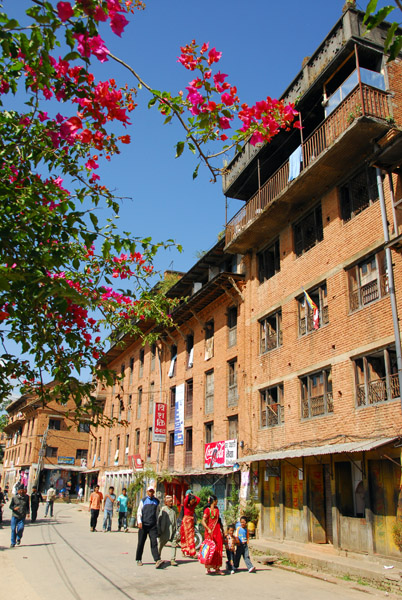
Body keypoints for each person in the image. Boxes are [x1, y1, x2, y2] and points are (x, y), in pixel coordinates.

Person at [136, 485, 163, 568]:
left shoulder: (156, 502)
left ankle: (157, 559)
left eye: (152, 491)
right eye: (149, 491)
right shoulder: (143, 501)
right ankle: (138, 559)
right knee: (141, 542)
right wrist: (139, 522)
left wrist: (157, 523)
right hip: (143, 525)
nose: (151, 493)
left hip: (152, 525)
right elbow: (139, 512)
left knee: (154, 542)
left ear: (153, 492)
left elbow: (158, 513)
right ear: (147, 492)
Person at [201, 495, 224, 574]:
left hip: (217, 531)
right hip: (209, 532)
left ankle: (217, 568)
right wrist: (208, 529)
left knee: (218, 548)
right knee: (210, 549)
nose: (217, 501)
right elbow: (203, 521)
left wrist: (222, 530)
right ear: (213, 501)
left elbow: (219, 520)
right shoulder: (207, 510)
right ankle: (208, 567)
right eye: (216, 500)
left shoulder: (217, 510)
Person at [158, 495, 178, 566]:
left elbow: (175, 521)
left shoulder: (173, 510)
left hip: (173, 530)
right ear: (166, 503)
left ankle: (173, 559)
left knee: (174, 544)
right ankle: (158, 557)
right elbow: (159, 519)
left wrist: (176, 530)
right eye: (169, 501)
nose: (171, 503)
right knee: (161, 544)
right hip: (165, 531)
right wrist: (159, 530)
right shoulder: (163, 509)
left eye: (172, 501)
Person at [180, 490, 200, 557]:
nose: (193, 502)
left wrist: (193, 495)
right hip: (185, 522)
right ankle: (183, 551)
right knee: (184, 537)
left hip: (191, 523)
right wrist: (188, 495)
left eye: (193, 501)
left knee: (191, 537)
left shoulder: (193, 506)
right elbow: (185, 500)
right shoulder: (186, 505)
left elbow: (198, 499)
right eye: (192, 501)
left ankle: (192, 552)